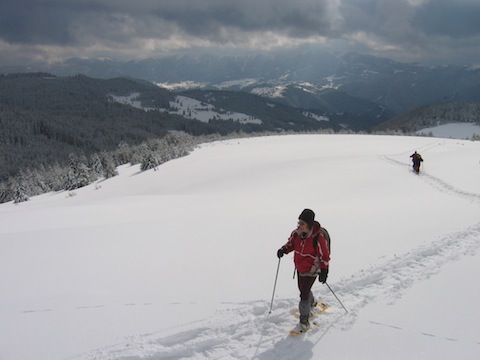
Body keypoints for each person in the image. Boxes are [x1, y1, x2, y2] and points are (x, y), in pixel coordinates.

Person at [277, 209, 330, 333]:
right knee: (303, 289)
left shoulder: (318, 237)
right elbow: (290, 244)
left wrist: (324, 270)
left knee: (303, 294)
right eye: (299, 222)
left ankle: (304, 321)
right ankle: (312, 303)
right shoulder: (296, 234)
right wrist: (283, 250)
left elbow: (324, 255)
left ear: (309, 224)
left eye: (302, 223)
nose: (299, 225)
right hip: (300, 267)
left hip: (312, 268)